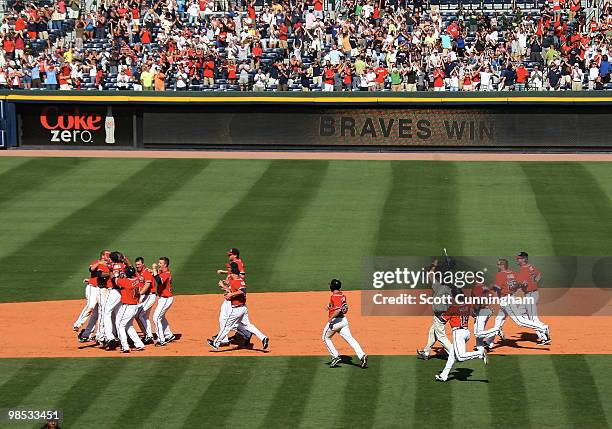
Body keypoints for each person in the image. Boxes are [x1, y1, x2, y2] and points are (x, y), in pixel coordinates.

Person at [208, 264, 269, 350]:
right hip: (243, 308)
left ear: (233, 273)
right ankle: (263, 338)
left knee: (226, 326)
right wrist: (225, 288)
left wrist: (230, 294)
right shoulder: (239, 280)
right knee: (248, 325)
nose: (230, 275)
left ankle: (215, 343)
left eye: (231, 274)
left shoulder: (236, 281)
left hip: (237, 309)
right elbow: (236, 291)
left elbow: (242, 291)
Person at [435, 290, 488, 382]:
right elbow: (474, 314)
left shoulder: (452, 308)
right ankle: (443, 375)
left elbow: (442, 320)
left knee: (460, 357)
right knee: (452, 355)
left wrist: (438, 313)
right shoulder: (467, 306)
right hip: (466, 332)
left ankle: (480, 353)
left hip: (458, 333)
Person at [322, 279, 367, 369]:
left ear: (332, 287)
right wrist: (329, 306)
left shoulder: (335, 296)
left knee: (325, 337)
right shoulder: (342, 295)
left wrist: (330, 319)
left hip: (336, 321)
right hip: (343, 321)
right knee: (350, 339)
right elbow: (336, 304)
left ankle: (335, 356)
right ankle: (362, 355)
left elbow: (338, 310)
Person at [417, 258, 453, 360]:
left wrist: (433, 266)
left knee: (441, 337)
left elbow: (430, 275)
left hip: (440, 315)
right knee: (432, 332)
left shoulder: (438, 287)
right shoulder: (449, 288)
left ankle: (454, 353)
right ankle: (426, 352)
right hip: (444, 313)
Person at [113, 266, 147, 353]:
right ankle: (139, 344)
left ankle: (125, 346)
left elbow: (114, 279)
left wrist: (117, 274)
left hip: (127, 307)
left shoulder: (126, 282)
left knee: (120, 325)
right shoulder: (137, 280)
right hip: (135, 306)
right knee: (129, 326)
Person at [152, 257, 176, 346]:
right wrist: (154, 271)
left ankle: (161, 340)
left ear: (165, 265)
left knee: (156, 318)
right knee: (161, 317)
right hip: (164, 298)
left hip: (166, 299)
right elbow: (157, 277)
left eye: (160, 263)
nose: (159, 265)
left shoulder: (166, 273)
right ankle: (169, 335)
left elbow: (158, 281)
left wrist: (154, 270)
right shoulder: (163, 272)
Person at [134, 257, 157, 344]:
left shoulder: (147, 272)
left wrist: (139, 294)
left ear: (143, 264)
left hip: (150, 296)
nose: (137, 266)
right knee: (144, 317)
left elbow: (147, 285)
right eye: (136, 265)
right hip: (144, 296)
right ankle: (147, 335)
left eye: (139, 264)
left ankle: (148, 336)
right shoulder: (138, 272)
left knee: (138, 315)